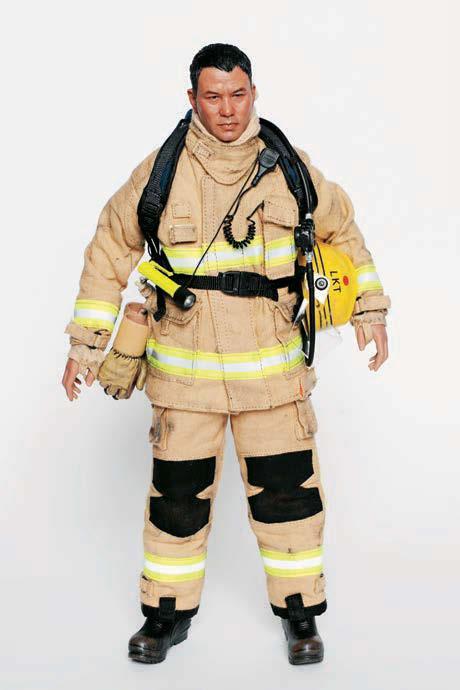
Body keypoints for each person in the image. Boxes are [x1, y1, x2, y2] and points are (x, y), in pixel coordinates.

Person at [62, 43, 390, 665]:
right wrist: (86, 344)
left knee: (289, 498)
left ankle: (299, 612)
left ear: (254, 93)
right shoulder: (161, 172)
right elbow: (109, 249)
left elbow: (342, 229)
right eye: (213, 96)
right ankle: (165, 615)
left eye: (238, 94)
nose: (228, 109)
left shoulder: (288, 168)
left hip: (273, 377)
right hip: (184, 381)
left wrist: (369, 309)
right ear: (192, 98)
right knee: (176, 503)